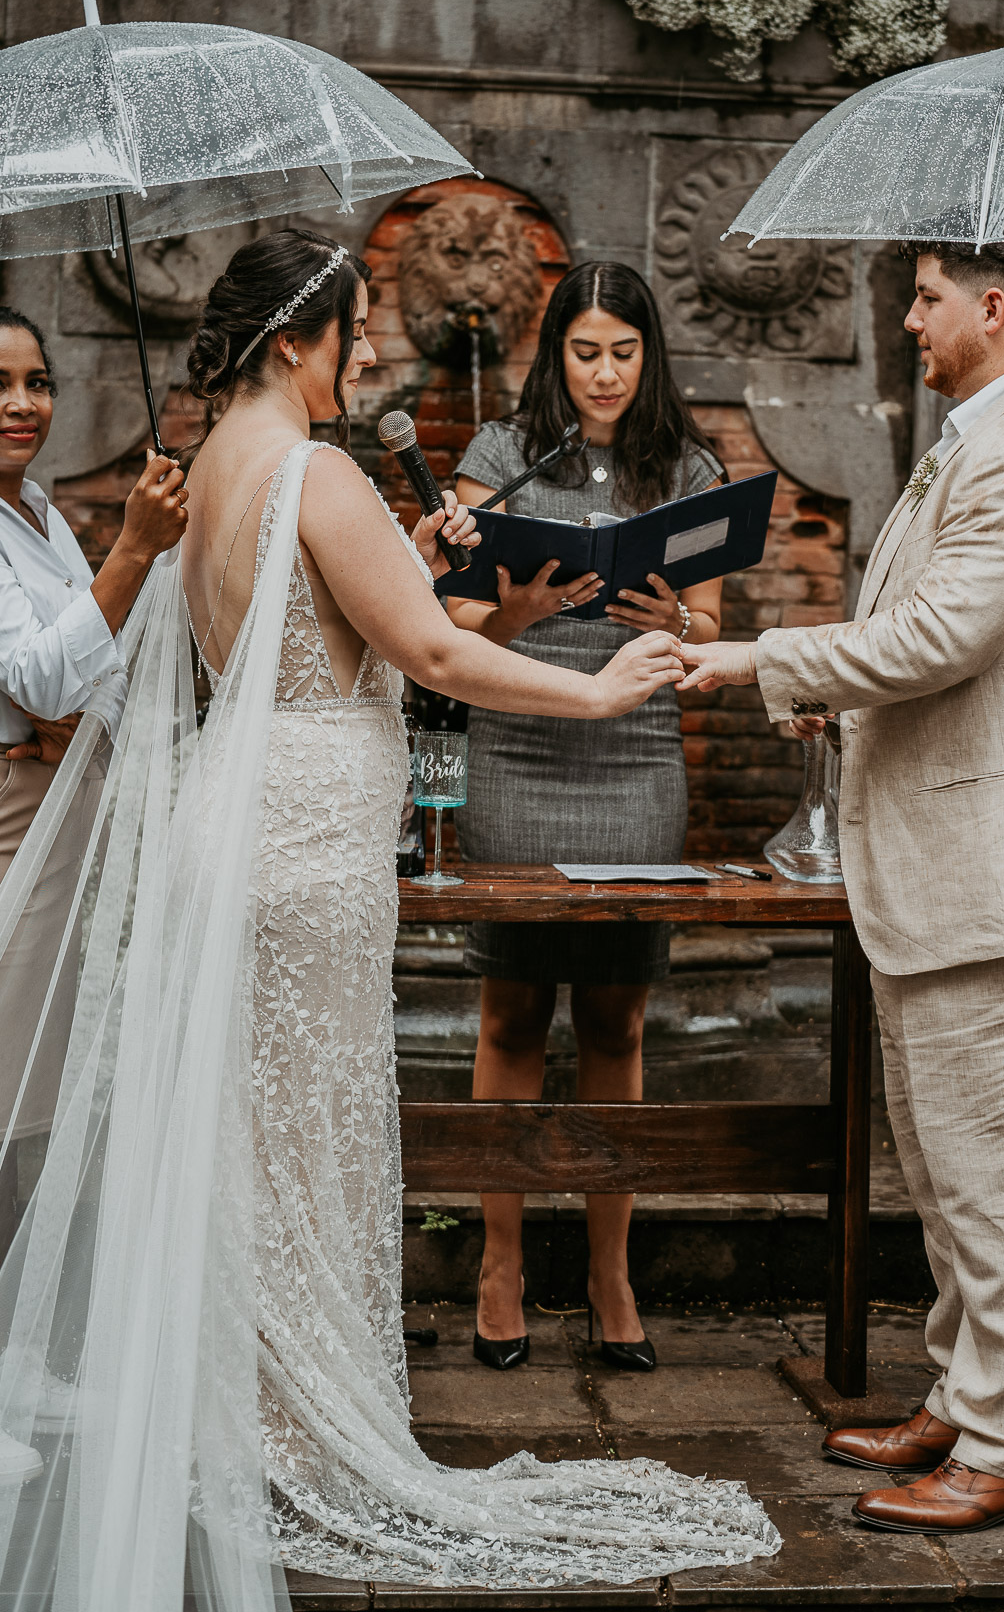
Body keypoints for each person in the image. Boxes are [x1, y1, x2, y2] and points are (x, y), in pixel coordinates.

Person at [0, 229, 778, 1607]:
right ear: (298, 338)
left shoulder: (219, 467)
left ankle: (242, 1414)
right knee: (303, 1146)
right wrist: (596, 691)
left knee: (253, 1146)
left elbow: (311, 617)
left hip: (239, 846)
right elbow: (424, 649)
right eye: (355, 328)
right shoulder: (319, 466)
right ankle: (296, 1438)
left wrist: (410, 552)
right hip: (302, 856)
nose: (369, 351)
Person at [677, 239, 1004, 1535]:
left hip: (993, 863)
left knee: (991, 1161)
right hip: (947, 853)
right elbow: (940, 640)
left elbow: (944, 637)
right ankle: (968, 1390)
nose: (911, 321)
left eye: (926, 299)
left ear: (994, 308)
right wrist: (850, 706)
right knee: (940, 1161)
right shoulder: (987, 430)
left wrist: (771, 666)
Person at [447, 261, 723, 1372]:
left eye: (623, 352)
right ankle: (500, 1265)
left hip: (633, 768)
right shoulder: (501, 461)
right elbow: (450, 631)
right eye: (583, 351)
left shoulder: (688, 469)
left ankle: (611, 1271)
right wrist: (513, 610)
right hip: (515, 756)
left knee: (615, 1023)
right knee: (512, 1015)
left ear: (650, 355)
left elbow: (708, 638)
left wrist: (678, 622)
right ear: (553, 353)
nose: (604, 374)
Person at [0, 307, 186, 1264]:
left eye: (37, 383)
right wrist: (132, 550)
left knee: (50, 1063)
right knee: (11, 1070)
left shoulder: (35, 513)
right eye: (1, 385)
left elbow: (92, 677)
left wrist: (71, 700)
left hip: (69, 802)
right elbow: (38, 677)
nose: (21, 404)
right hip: (16, 814)